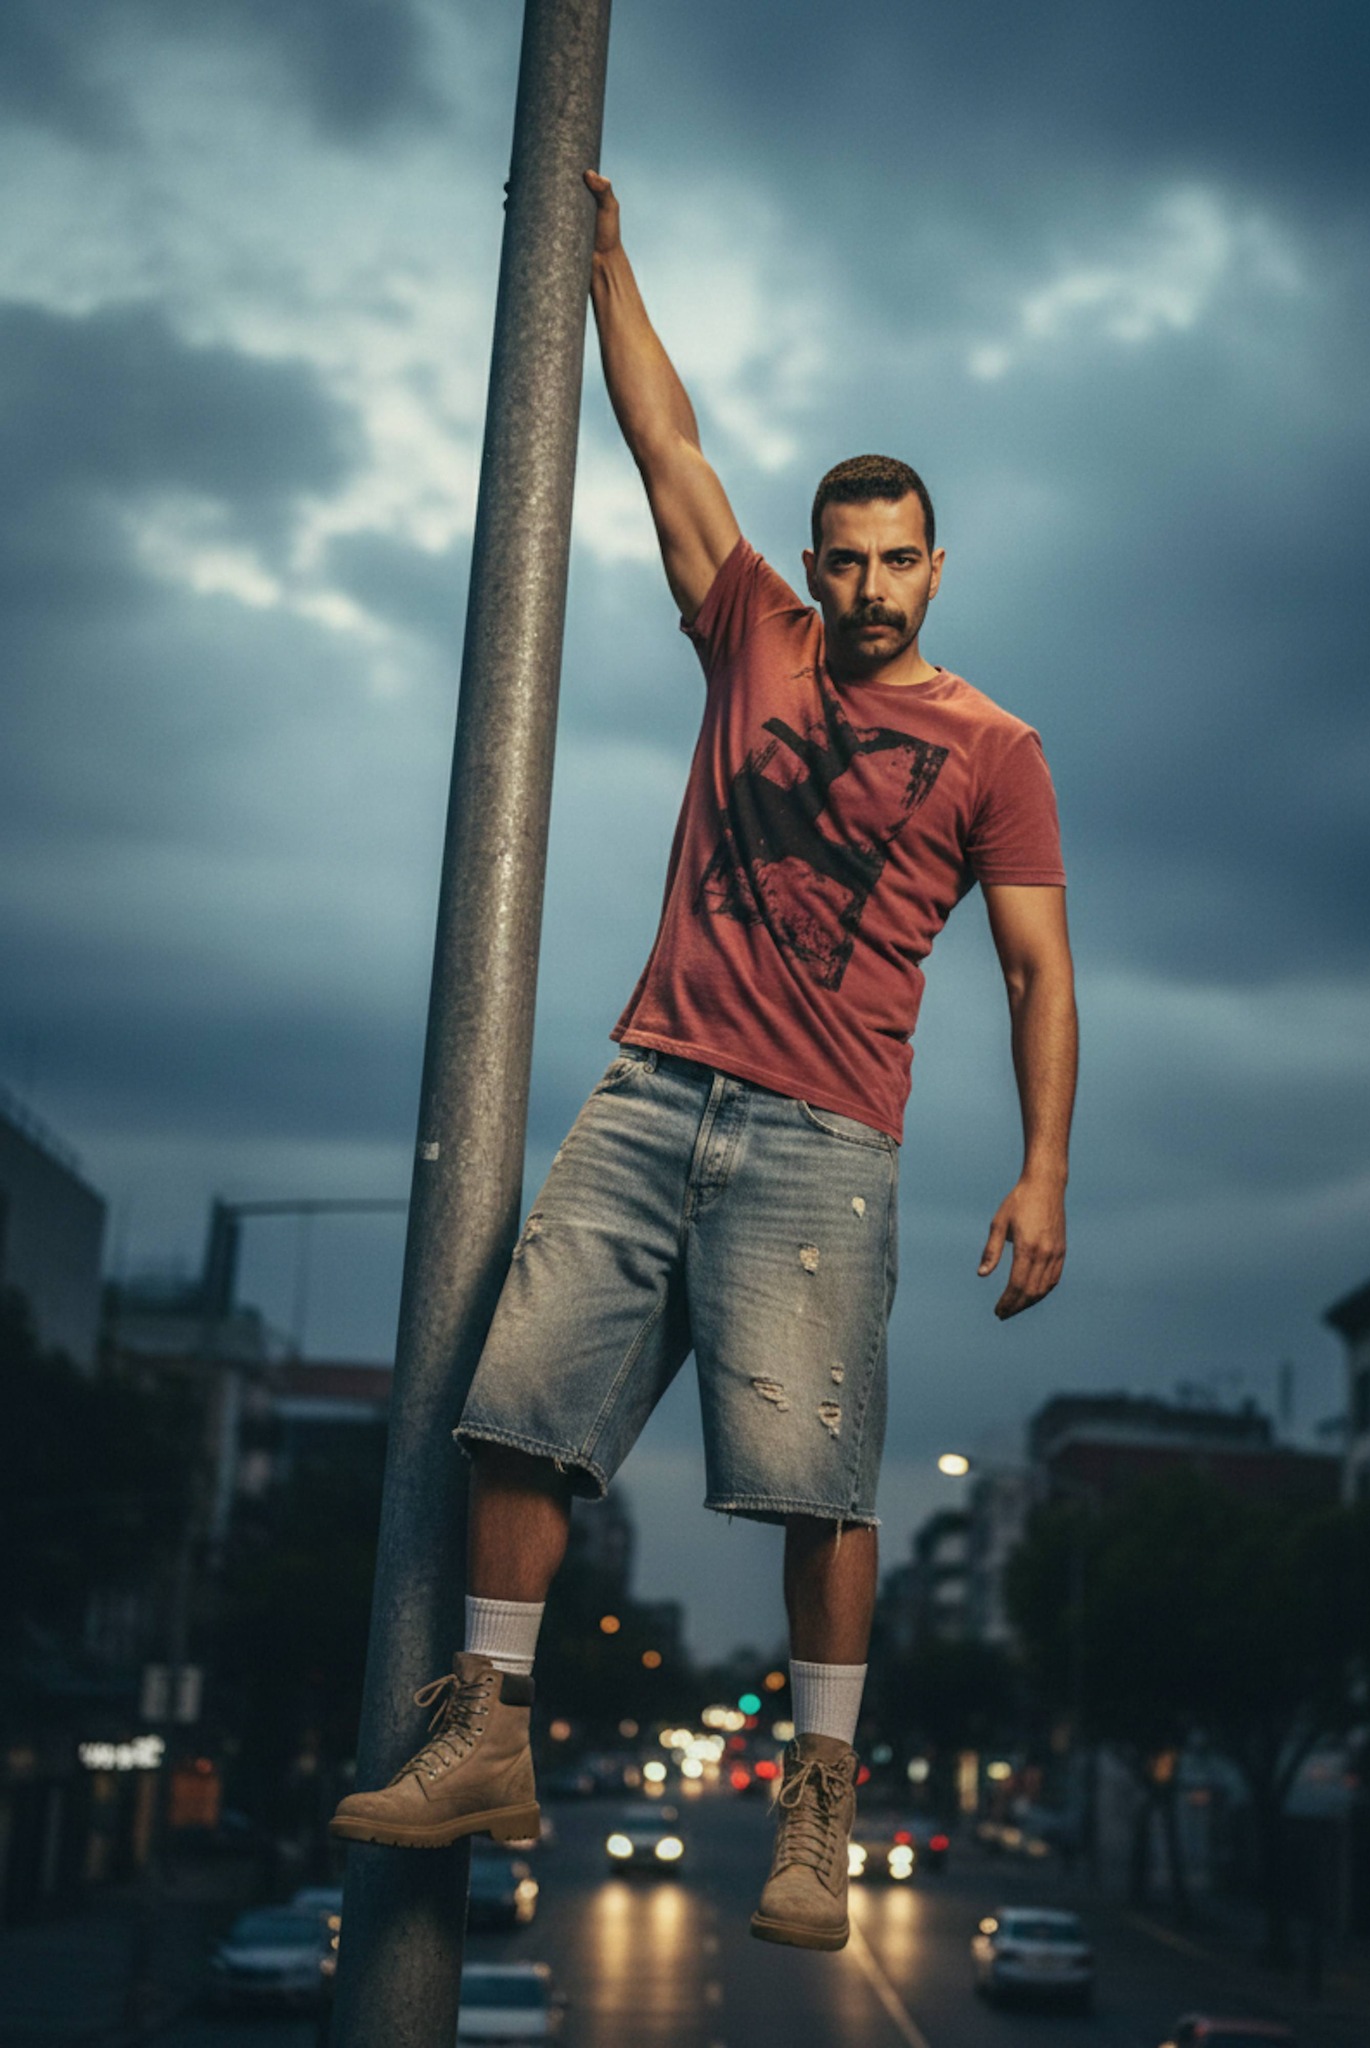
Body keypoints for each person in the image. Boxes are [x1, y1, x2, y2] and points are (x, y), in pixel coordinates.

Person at [330, 170, 1078, 1954]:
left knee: (819, 1478)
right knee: (513, 1409)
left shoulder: (996, 749)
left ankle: (820, 1808)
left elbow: (1041, 970)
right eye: (850, 558)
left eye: (904, 558)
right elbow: (667, 450)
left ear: (937, 564)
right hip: (655, 1083)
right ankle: (487, 1733)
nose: (876, 585)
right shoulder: (755, 635)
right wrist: (605, 268)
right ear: (815, 569)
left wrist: (1046, 1167)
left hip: (828, 1141)